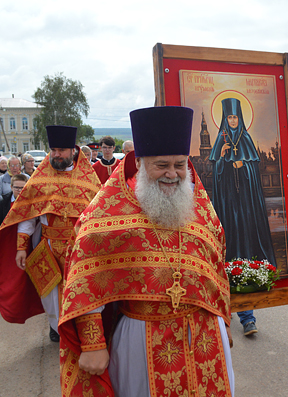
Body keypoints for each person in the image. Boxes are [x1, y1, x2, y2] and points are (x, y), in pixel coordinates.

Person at [58, 106, 234, 396]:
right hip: (143, 337)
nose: (172, 174)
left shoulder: (200, 209)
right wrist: (93, 344)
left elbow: (217, 269)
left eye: (180, 164)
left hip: (206, 337)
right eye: (161, 164)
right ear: (139, 163)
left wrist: (224, 321)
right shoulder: (107, 213)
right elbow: (84, 276)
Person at [0, 126, 101, 343]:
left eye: (61, 150)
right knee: (50, 297)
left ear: (73, 151)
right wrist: (21, 248)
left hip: (79, 251)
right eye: (53, 150)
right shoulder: (40, 179)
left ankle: (79, 334)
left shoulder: (89, 178)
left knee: (80, 293)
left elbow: (99, 215)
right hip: (49, 248)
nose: (56, 155)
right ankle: (58, 331)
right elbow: (28, 216)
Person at [209, 97, 276, 336]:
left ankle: (247, 315)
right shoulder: (221, 140)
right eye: (229, 117)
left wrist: (242, 166)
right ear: (225, 118)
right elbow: (214, 175)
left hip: (246, 207)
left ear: (241, 118)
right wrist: (223, 160)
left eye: (236, 117)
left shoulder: (245, 138)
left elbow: (253, 171)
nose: (233, 120)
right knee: (226, 253)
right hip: (227, 207)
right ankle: (223, 317)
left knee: (245, 252)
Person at [0, 174, 28, 240]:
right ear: (11, 187)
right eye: (16, 187)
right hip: (7, 238)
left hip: (24, 238)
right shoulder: (4, 202)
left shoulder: (30, 202)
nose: (19, 190)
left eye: (22, 188)